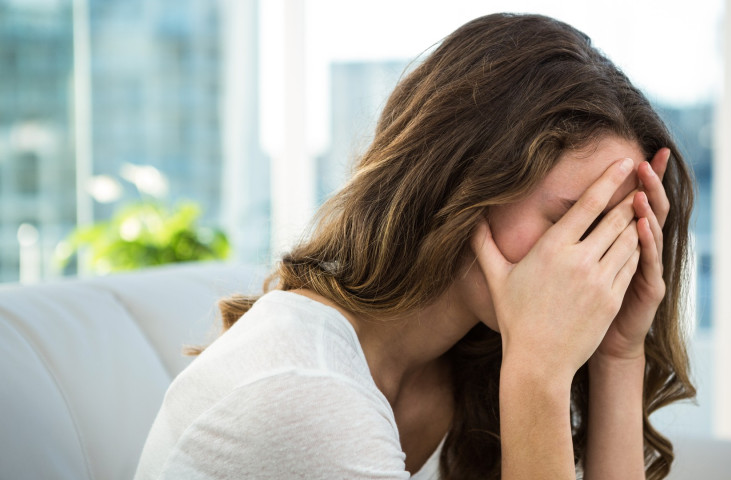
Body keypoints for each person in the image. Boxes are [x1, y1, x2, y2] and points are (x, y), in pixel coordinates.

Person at [135, 12, 695, 480]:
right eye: (572, 220)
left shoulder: (463, 367)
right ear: (462, 180)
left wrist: (619, 352)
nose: (592, 267)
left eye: (617, 233)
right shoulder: (310, 396)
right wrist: (538, 374)